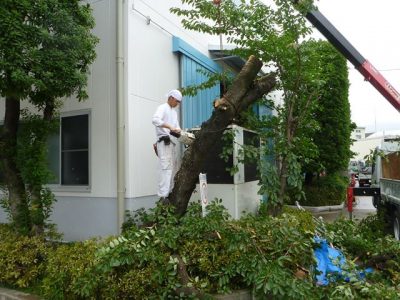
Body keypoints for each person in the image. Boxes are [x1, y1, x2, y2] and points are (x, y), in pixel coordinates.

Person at [152, 89, 183, 202]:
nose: (177, 104)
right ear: (171, 98)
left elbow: (177, 127)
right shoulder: (162, 107)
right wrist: (169, 127)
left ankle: (169, 193)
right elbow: (155, 120)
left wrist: (179, 131)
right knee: (165, 168)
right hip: (163, 142)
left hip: (171, 143)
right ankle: (163, 196)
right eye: (177, 101)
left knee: (172, 169)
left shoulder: (173, 113)